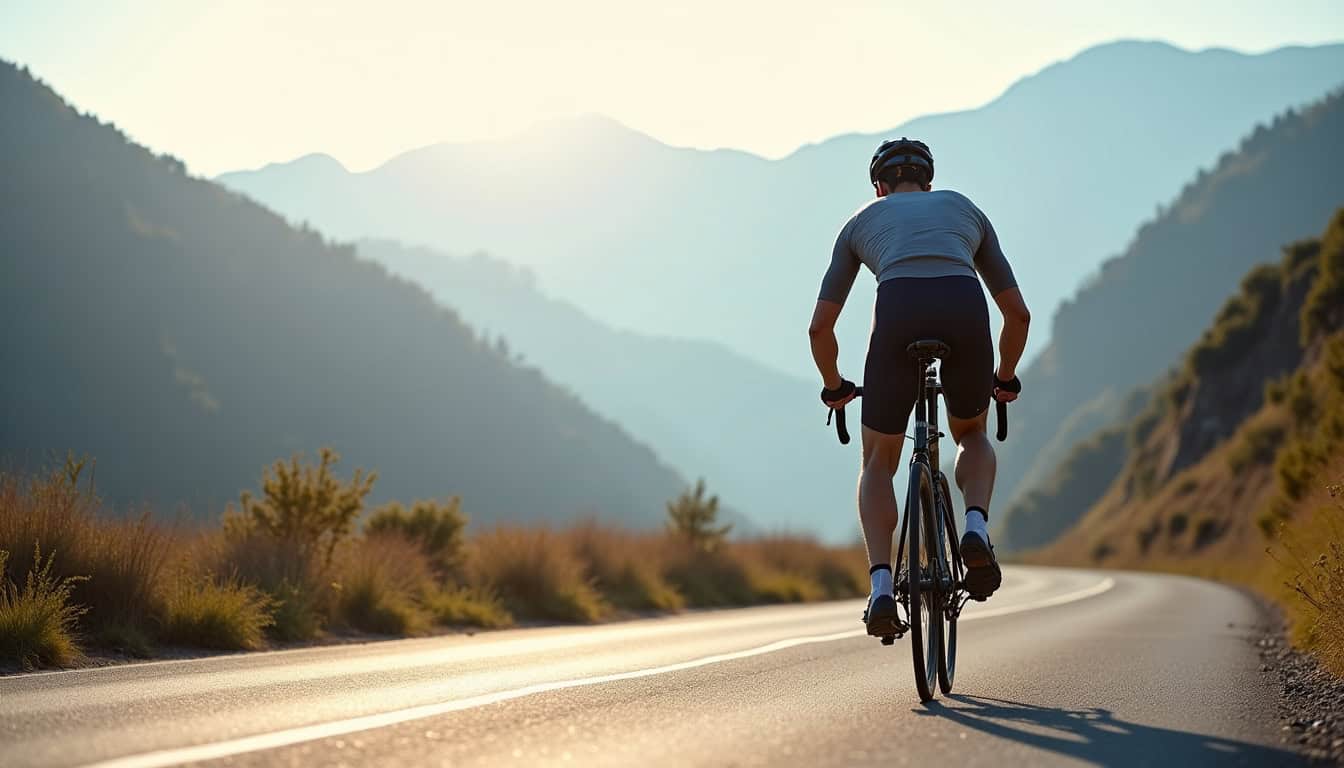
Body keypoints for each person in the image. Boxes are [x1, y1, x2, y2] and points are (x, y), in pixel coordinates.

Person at [807, 138, 1030, 636]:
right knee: (972, 433)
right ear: (928, 183)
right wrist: (1005, 377)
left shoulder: (861, 220)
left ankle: (882, 586)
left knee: (878, 462)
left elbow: (819, 329)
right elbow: (1017, 313)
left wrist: (835, 387)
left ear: (880, 186)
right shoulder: (965, 210)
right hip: (964, 308)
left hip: (896, 313)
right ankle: (974, 526)